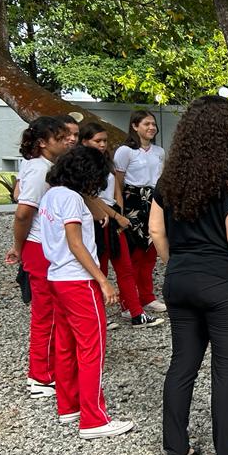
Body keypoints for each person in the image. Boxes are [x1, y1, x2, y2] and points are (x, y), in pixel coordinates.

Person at [149, 95, 228, 455]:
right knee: (226, 371)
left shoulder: (169, 177)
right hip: (224, 286)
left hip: (181, 281)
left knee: (182, 363)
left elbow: (155, 230)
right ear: (225, 131)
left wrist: (178, 264)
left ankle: (176, 447)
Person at [39, 146, 134, 438]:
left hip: (57, 278)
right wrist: (102, 280)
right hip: (78, 281)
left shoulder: (53, 194)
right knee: (92, 348)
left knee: (66, 345)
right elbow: (76, 242)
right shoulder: (70, 198)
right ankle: (94, 419)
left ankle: (70, 406)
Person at [4, 116, 70, 398]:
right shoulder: (39, 170)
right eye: (60, 137)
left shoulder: (47, 167)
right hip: (39, 246)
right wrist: (18, 248)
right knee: (45, 314)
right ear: (43, 143)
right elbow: (23, 212)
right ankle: (40, 376)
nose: (68, 140)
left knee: (55, 311)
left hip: (48, 246)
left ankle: (50, 369)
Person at [79, 122, 162, 329]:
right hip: (98, 219)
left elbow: (117, 188)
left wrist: (120, 213)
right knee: (101, 268)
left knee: (124, 266)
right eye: (97, 141)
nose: (102, 144)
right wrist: (115, 214)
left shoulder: (107, 161)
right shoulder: (81, 164)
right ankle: (97, 314)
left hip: (115, 218)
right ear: (84, 141)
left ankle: (135, 312)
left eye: (104, 141)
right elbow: (90, 195)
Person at [114, 109, 166, 313]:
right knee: (133, 253)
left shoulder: (159, 152)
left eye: (153, 124)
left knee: (150, 252)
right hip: (133, 203)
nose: (151, 127)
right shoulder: (125, 151)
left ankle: (147, 296)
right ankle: (129, 299)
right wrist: (120, 210)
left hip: (153, 201)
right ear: (135, 126)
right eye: (146, 124)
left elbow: (160, 179)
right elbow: (118, 181)